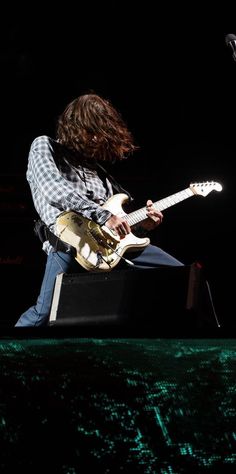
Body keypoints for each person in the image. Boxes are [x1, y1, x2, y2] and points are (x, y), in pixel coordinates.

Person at [15, 93, 184, 327]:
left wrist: (142, 223)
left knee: (182, 276)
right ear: (75, 126)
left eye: (100, 132)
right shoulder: (45, 146)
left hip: (112, 249)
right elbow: (53, 189)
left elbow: (118, 218)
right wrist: (104, 216)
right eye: (91, 130)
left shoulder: (99, 172)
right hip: (69, 244)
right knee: (44, 315)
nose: (95, 138)